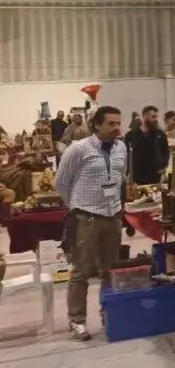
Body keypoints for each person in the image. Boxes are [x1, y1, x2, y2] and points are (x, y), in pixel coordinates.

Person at [54, 106, 128, 342]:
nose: (116, 128)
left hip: (113, 216)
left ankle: (109, 314)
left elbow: (121, 177)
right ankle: (77, 321)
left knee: (109, 270)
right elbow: (61, 183)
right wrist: (77, 206)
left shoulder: (121, 148)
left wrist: (117, 206)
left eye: (118, 123)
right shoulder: (78, 149)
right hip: (86, 217)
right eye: (111, 124)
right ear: (96, 124)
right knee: (81, 271)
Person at [125, 105, 169, 185]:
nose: (156, 119)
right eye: (153, 117)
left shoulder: (160, 134)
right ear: (145, 116)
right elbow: (127, 154)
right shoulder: (131, 135)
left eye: (156, 117)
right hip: (137, 175)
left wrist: (163, 167)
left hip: (155, 174)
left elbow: (166, 152)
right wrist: (128, 172)